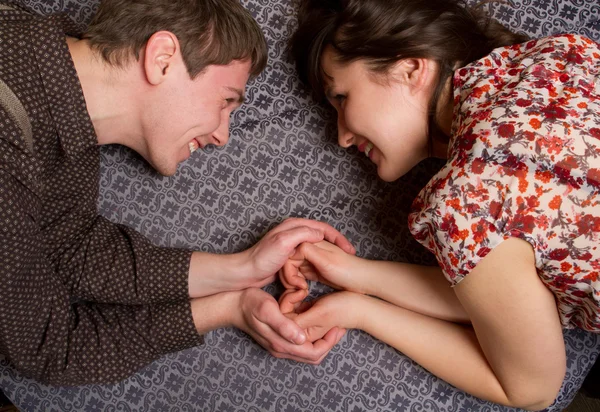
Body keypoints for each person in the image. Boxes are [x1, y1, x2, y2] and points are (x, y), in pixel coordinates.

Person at [0, 0, 353, 385]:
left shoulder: (51, 86)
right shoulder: (8, 132)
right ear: (163, 58)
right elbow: (52, 348)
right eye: (225, 101)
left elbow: (72, 248)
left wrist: (241, 273)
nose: (222, 136)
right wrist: (221, 310)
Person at [279, 0, 600, 409]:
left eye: (341, 97)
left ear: (411, 69)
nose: (341, 136)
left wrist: (360, 313)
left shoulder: (468, 199)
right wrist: (351, 274)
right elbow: (510, 301)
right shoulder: (558, 54)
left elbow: (532, 389)